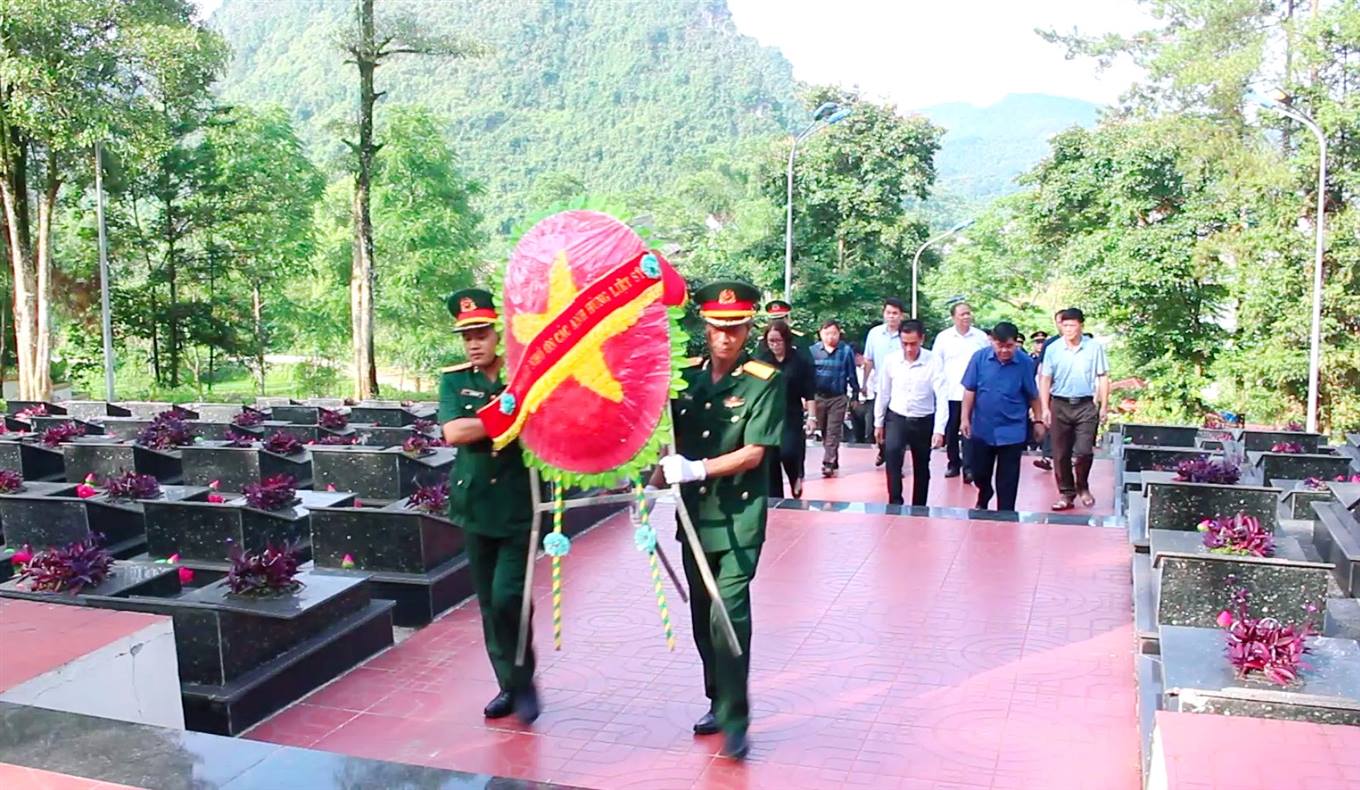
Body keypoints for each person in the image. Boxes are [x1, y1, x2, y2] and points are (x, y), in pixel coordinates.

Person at [653, 279, 782, 761]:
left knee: (728, 614)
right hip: (694, 517)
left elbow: (754, 452)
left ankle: (736, 717)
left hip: (738, 519)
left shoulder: (763, 380)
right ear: (704, 328)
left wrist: (698, 468)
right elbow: (665, 442)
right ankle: (717, 699)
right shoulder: (683, 377)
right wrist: (648, 486)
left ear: (748, 330)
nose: (725, 337)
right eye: (717, 327)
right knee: (702, 619)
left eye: (735, 328)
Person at [438, 288, 540, 724]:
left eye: (481, 334)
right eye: (467, 337)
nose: (474, 344)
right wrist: (503, 418)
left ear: (499, 333)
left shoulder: (525, 375)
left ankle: (524, 678)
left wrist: (491, 420)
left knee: (508, 598)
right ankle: (508, 685)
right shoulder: (454, 379)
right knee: (488, 603)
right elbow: (453, 432)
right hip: (475, 505)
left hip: (519, 506)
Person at [960, 321, 1043, 512]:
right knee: (979, 472)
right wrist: (964, 418)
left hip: (1012, 429)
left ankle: (1006, 513)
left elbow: (1033, 395)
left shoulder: (1025, 363)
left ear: (1016, 343)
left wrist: (1038, 421)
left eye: (1009, 346)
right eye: (1000, 345)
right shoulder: (979, 358)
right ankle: (985, 492)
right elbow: (970, 390)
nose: (1005, 350)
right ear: (992, 341)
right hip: (983, 427)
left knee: (1008, 479)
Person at [1040, 308, 1110, 510]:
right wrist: (1044, 407)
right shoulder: (1053, 349)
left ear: (1081, 326)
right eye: (1065, 325)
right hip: (1060, 404)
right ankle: (1066, 493)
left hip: (1085, 405)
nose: (1068, 329)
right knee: (1060, 453)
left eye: (1072, 325)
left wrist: (1104, 406)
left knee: (1084, 451)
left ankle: (1083, 486)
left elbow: (1103, 377)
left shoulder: (1094, 347)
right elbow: (1045, 379)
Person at [873, 319, 947, 506]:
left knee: (921, 465)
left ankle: (919, 506)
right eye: (904, 343)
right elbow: (883, 392)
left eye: (913, 343)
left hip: (923, 419)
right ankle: (895, 501)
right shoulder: (891, 360)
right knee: (892, 456)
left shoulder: (934, 361)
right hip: (896, 417)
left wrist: (939, 430)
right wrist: (878, 422)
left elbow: (942, 397)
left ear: (922, 339)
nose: (908, 348)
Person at [931, 302, 990, 483]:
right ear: (953, 317)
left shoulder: (980, 337)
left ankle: (969, 468)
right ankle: (953, 464)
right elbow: (936, 364)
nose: (966, 317)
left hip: (973, 393)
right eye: (962, 314)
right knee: (951, 430)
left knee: (969, 431)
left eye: (968, 313)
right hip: (950, 392)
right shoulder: (943, 338)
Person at [757, 320, 815, 498]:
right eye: (771, 341)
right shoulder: (762, 361)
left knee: (788, 452)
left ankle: (795, 476)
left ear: (786, 340)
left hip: (791, 412)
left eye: (778, 341)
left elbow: (809, 392)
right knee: (771, 457)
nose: (774, 345)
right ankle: (775, 498)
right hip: (769, 413)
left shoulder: (799, 361)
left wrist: (812, 417)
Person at [809, 319, 859, 477]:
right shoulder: (813, 351)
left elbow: (851, 373)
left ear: (839, 334)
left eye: (834, 333)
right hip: (818, 397)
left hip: (838, 397)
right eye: (827, 333)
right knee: (824, 430)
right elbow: (808, 376)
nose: (830, 337)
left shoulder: (846, 351)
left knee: (833, 430)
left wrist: (855, 394)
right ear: (820, 334)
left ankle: (828, 463)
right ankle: (832, 456)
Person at [863, 297, 906, 465]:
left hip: (900, 389)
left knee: (897, 427)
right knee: (877, 423)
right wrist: (864, 384)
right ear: (883, 314)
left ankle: (896, 461)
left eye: (895, 313)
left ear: (901, 315)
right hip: (879, 387)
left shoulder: (906, 335)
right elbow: (868, 360)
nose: (891, 316)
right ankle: (883, 450)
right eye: (888, 313)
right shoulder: (874, 334)